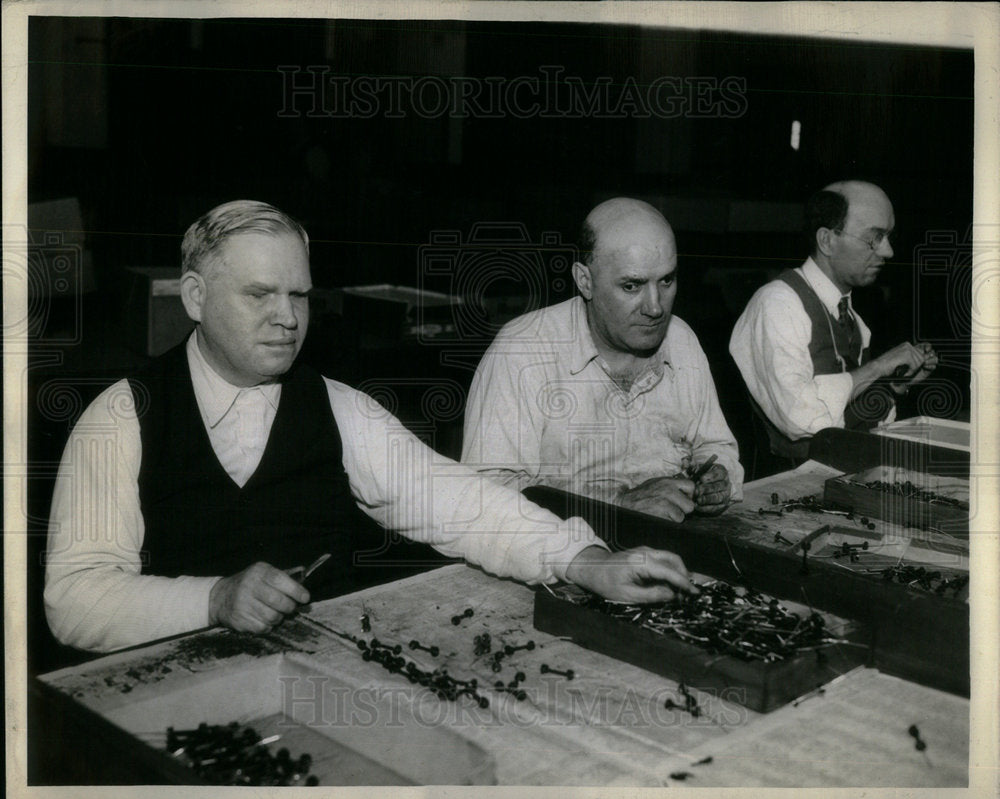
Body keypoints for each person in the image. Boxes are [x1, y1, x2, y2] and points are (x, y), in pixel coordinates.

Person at [44, 200, 695, 653]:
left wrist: (584, 561)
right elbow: (74, 602)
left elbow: (459, 503)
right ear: (194, 297)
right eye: (259, 295)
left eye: (299, 295)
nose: (289, 318)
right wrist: (212, 599)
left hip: (311, 673)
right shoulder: (122, 416)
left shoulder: (336, 405)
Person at [462, 197, 743, 523]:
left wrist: (719, 479)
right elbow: (484, 498)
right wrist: (616, 504)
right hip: (559, 557)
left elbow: (718, 445)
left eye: (666, 280)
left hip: (671, 544)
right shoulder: (524, 351)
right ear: (585, 280)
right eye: (631, 286)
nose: (655, 307)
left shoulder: (681, 341)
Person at [729, 180, 938, 459]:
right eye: (874, 238)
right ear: (827, 240)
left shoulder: (850, 316)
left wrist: (895, 384)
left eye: (888, 237)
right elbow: (800, 418)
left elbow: (848, 410)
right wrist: (879, 367)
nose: (888, 251)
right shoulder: (778, 305)